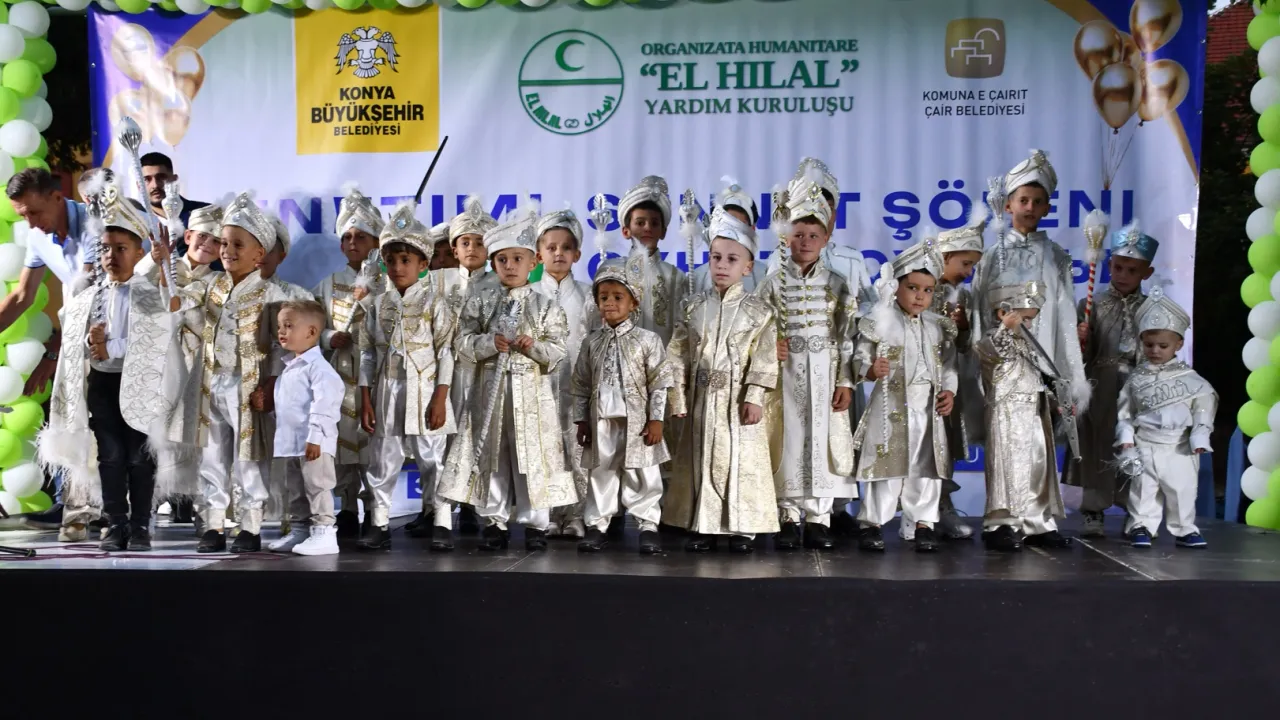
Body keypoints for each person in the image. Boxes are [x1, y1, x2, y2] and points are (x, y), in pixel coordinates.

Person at [158, 191, 296, 553]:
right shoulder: (210, 285)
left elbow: (282, 347)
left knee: (249, 458)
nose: (227, 250)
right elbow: (177, 303)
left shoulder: (271, 294)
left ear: (259, 254)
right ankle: (214, 524)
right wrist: (164, 268)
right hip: (209, 384)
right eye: (224, 243)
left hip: (249, 387)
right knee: (212, 456)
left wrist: (271, 383)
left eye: (238, 244)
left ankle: (250, 525)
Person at [37, 178, 169, 551]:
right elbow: (74, 340)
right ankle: (116, 522)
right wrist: (89, 343)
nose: (112, 256)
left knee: (139, 458)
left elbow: (155, 340)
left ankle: (140, 525)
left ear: (139, 251)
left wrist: (108, 345)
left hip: (140, 385)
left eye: (122, 248)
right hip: (104, 385)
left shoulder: (150, 294)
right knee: (109, 456)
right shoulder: (89, 294)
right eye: (106, 248)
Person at [438, 208, 577, 551]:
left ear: (534, 262)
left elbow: (559, 350)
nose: (510, 266)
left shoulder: (546, 306)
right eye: (502, 259)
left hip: (533, 397)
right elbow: (462, 342)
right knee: (493, 455)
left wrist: (534, 347)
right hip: (491, 392)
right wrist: (489, 343)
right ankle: (494, 520)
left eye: (518, 259)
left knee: (531, 456)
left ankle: (536, 523)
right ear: (493, 263)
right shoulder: (481, 302)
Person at [664, 208, 779, 553]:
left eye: (732, 259)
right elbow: (677, 353)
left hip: (736, 400)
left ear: (748, 266)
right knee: (699, 457)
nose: (722, 265)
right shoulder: (692, 306)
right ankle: (702, 523)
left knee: (739, 460)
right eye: (716, 257)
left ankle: (743, 527)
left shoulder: (759, 311)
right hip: (701, 400)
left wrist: (754, 396)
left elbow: (765, 356)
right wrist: (678, 397)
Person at [754, 172, 858, 551]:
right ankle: (786, 515)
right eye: (798, 234)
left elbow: (847, 335)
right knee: (788, 440)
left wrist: (845, 381)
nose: (806, 241)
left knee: (821, 441)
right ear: (786, 237)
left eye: (814, 235)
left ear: (826, 238)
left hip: (825, 376)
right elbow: (756, 330)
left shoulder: (837, 283)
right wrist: (771, 347)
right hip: (785, 378)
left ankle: (818, 518)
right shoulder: (772, 283)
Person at [357, 202, 457, 552]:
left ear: (423, 264)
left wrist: (441, 396)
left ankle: (441, 521)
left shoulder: (435, 302)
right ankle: (379, 521)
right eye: (391, 261)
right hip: (387, 389)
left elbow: (446, 352)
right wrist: (366, 397)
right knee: (384, 456)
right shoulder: (377, 304)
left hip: (426, 391)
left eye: (405, 260)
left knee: (433, 457)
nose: (398, 267)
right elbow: (367, 353)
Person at [2, 169, 95, 539]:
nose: (30, 223)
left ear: (57, 198)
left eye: (34, 212)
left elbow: (90, 296)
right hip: (76, 334)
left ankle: (111, 511)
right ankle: (69, 505)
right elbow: (22, 295)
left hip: (115, 335)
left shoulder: (95, 225)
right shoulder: (37, 235)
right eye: (22, 215)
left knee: (104, 425)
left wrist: (54, 354)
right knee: (68, 418)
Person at [853, 240, 958, 553]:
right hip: (891, 408)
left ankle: (923, 523)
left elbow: (948, 365)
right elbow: (860, 356)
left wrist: (949, 390)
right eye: (912, 288)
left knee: (926, 469)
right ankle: (872, 524)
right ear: (896, 286)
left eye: (927, 290)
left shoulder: (938, 327)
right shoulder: (880, 322)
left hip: (927, 409)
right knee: (885, 469)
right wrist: (871, 369)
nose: (920, 296)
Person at [972, 149, 1090, 413]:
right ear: (1008, 205)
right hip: (1001, 365)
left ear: (1047, 208)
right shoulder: (990, 257)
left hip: (1043, 366)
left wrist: (1070, 380)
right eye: (1023, 200)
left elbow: (1065, 319)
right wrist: (982, 366)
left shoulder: (1057, 258)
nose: (1030, 208)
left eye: (1037, 202)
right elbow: (979, 314)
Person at [571, 244, 670, 555]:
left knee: (643, 472)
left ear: (633, 302)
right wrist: (582, 420)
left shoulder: (647, 340)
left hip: (637, 422)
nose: (610, 303)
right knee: (601, 472)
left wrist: (656, 419)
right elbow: (581, 383)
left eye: (617, 297)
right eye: (603, 298)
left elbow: (660, 383)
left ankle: (647, 525)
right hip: (601, 419)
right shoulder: (591, 342)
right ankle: (597, 525)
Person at [139, 204, 225, 529]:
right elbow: (135, 288)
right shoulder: (162, 265)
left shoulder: (219, 281)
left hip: (196, 365)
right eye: (202, 236)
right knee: (153, 439)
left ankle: (198, 509)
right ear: (188, 236)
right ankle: (144, 510)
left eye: (216, 241)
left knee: (198, 439)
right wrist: (157, 259)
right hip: (157, 365)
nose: (207, 244)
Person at [1069, 223, 1156, 538]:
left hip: (1138, 383)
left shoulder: (1152, 309)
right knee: (1098, 443)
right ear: (1109, 266)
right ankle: (1093, 509)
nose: (1123, 275)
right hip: (1101, 383)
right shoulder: (1091, 305)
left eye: (1132, 270)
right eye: (1118, 267)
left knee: (1136, 443)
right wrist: (1080, 337)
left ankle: (1136, 510)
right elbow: (1080, 356)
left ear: (1146, 273)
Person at [976, 277, 1072, 552]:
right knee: (1006, 471)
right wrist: (1005, 329)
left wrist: (1055, 401)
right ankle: (1000, 525)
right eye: (1024, 318)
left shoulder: (1027, 345)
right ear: (1003, 313)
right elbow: (992, 354)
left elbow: (1036, 378)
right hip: (1006, 415)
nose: (1028, 325)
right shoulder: (990, 341)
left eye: (1031, 319)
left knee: (1036, 470)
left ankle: (1036, 523)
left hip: (1033, 413)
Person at [1117, 287, 1215, 549]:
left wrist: (1199, 437)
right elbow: (1125, 412)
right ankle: (1141, 525)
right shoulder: (1136, 380)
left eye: (1163, 346)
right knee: (1143, 489)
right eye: (1149, 345)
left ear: (1178, 344)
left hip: (1179, 445)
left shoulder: (1192, 381)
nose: (1155, 350)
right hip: (1146, 442)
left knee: (1181, 490)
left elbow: (1203, 409)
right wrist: (1126, 438)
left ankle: (1184, 528)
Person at [313, 185, 384, 539]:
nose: (353, 243)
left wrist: (370, 299)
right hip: (338, 375)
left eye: (361, 237)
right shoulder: (327, 284)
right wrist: (329, 337)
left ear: (376, 243)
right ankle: (347, 508)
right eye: (347, 237)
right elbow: (312, 328)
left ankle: (375, 508)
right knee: (340, 443)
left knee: (373, 444)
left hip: (375, 376)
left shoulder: (387, 283)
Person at [535, 207, 599, 539]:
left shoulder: (590, 296)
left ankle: (576, 514)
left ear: (577, 254)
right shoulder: (530, 294)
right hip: (541, 386)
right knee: (546, 449)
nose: (558, 253)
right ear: (539, 254)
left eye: (566, 247)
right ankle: (547, 513)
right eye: (551, 247)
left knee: (577, 448)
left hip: (578, 385)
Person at [927, 204, 988, 540]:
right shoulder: (917, 285)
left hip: (947, 382)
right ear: (946, 256)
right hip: (912, 382)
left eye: (973, 266)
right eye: (965, 264)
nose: (969, 272)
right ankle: (903, 513)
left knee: (944, 446)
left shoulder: (962, 296)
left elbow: (965, 346)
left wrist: (963, 327)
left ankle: (942, 507)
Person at [267, 299, 345, 556]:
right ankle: (300, 530)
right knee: (296, 490)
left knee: (317, 486)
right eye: (280, 326)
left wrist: (315, 438)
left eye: (289, 326)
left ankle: (325, 533)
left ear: (311, 332)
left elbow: (325, 406)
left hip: (313, 444)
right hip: (292, 443)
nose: (281, 331)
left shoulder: (319, 369)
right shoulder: (290, 368)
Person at [254, 217, 315, 534]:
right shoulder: (223, 293)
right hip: (238, 387)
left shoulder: (298, 296)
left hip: (286, 388)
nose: (261, 255)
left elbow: (308, 348)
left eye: (269, 248)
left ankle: (294, 516)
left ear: (282, 254)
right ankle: (243, 515)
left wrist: (275, 380)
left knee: (289, 451)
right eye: (256, 246)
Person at [601, 175, 686, 346]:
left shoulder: (675, 276)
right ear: (626, 231)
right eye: (640, 223)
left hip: (663, 360)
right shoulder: (612, 270)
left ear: (663, 232)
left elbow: (682, 330)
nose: (647, 228)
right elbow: (593, 323)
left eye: (654, 223)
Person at [688, 177, 767, 294]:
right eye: (724, 225)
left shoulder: (764, 277)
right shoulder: (696, 279)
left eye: (738, 226)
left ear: (752, 230)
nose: (729, 234)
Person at [140, 151, 209, 257]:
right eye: (147, 179)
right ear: (139, 185)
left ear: (174, 179)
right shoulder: (137, 225)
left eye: (161, 177)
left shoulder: (205, 212)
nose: (155, 185)